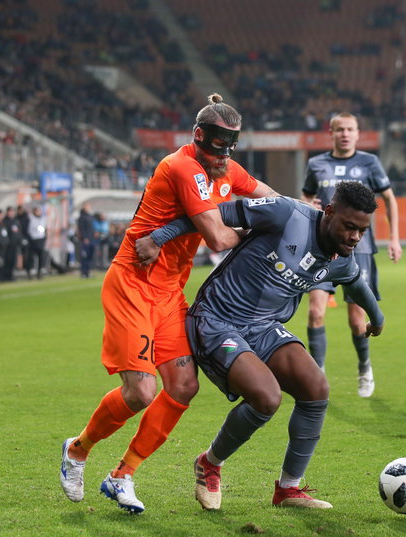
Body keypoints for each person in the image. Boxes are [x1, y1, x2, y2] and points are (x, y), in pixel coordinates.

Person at [59, 93, 278, 514]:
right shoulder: (183, 167)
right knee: (142, 391)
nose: (224, 156)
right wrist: (256, 232)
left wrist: (307, 215)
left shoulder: (226, 168)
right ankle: (78, 449)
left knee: (183, 386)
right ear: (198, 136)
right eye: (217, 146)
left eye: (231, 147)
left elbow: (271, 199)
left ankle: (121, 476)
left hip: (168, 292)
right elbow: (217, 238)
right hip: (133, 284)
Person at [143, 182, 384, 510]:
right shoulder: (287, 213)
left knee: (316, 388)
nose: (355, 237)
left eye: (362, 231)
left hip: (265, 328)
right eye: (349, 227)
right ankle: (210, 463)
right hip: (216, 319)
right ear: (329, 212)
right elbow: (210, 216)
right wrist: (159, 237)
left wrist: (377, 318)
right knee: (267, 397)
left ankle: (288, 489)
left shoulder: (342, 257)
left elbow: (356, 283)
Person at [301, 112, 401, 398]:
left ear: (358, 134)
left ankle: (364, 367)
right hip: (321, 249)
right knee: (315, 312)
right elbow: (306, 198)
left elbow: (389, 198)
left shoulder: (369, 162)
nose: (345, 134)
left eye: (350, 129)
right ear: (330, 133)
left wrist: (394, 238)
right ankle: (317, 375)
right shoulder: (316, 164)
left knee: (357, 320)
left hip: (360, 249)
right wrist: (309, 204)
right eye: (339, 129)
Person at [25, 206, 47, 279]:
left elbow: (45, 229)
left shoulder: (43, 219)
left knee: (41, 256)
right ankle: (29, 271)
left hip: (41, 239)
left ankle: (39, 271)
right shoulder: (30, 218)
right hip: (33, 239)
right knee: (31, 257)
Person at [76, 202, 96, 279]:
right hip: (86, 240)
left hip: (91, 239)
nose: (88, 208)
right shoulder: (82, 217)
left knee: (90, 256)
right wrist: (84, 238)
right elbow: (81, 228)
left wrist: (94, 233)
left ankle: (88, 272)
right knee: (85, 256)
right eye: (87, 206)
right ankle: (83, 272)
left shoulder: (90, 216)